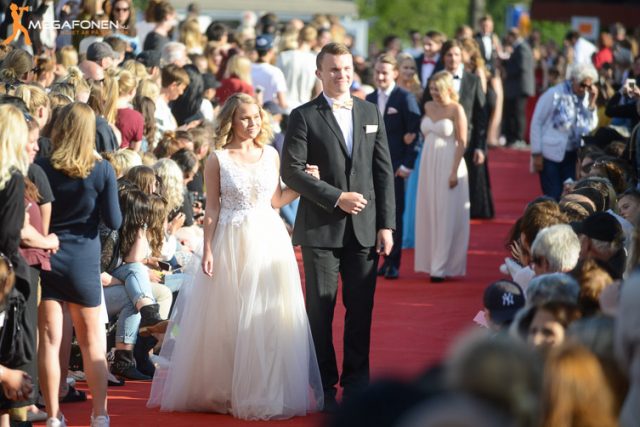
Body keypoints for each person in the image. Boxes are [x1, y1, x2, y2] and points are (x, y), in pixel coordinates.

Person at [148, 93, 323, 419]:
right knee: (228, 316)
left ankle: (264, 389)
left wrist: (305, 184)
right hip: (231, 241)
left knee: (266, 315)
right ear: (231, 120)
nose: (252, 123)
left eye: (256, 117)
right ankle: (225, 389)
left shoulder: (271, 154)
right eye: (245, 117)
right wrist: (208, 248)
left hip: (269, 240)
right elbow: (212, 209)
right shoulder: (218, 159)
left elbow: (276, 200)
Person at [281, 42, 396, 412]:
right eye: (333, 69)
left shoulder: (369, 111)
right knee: (321, 312)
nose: (341, 75)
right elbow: (291, 171)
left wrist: (387, 225)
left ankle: (357, 386)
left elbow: (383, 171)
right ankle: (324, 388)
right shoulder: (302, 116)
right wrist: (336, 197)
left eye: (346, 68)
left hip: (365, 229)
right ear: (319, 73)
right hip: (320, 229)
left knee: (360, 311)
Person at [36, 103, 122, 427]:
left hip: (48, 256)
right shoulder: (102, 170)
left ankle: (53, 415)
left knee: (49, 341)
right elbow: (114, 220)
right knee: (92, 342)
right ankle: (100, 414)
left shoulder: (41, 166)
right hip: (84, 258)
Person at [366, 54, 421, 280]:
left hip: (396, 166)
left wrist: (408, 164)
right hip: (371, 167)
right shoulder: (369, 98)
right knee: (372, 212)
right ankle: (376, 260)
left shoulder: (405, 97)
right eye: (377, 72)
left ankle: (392, 261)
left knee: (394, 214)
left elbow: (415, 133)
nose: (380, 76)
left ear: (395, 74)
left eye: (385, 73)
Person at [414, 71, 469, 282]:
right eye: (431, 89)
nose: (434, 93)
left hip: (449, 163)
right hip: (428, 164)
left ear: (448, 88)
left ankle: (441, 266)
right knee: (429, 210)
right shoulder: (428, 106)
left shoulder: (456, 109)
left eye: (438, 89)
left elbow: (462, 141)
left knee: (446, 214)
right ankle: (430, 262)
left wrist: (454, 171)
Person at [530, 63, 599, 201]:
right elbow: (537, 121)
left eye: (589, 86)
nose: (584, 89)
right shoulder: (554, 93)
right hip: (550, 154)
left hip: (573, 155)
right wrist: (536, 153)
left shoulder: (586, 98)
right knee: (553, 194)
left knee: (570, 195)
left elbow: (590, 127)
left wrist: (592, 103)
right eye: (582, 85)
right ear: (574, 80)